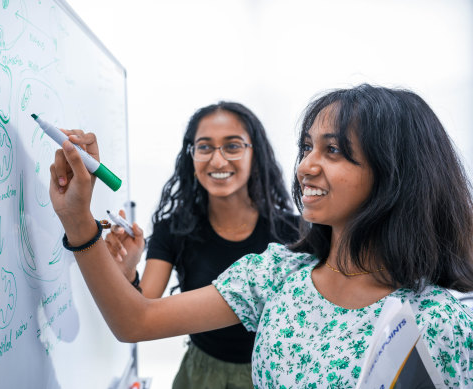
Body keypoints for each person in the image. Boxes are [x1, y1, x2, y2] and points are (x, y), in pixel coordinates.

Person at [49, 84, 473, 388]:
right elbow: (137, 317)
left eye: (334, 150)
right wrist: (77, 220)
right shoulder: (273, 272)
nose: (305, 165)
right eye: (307, 147)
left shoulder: (440, 323)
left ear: (395, 176)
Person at [104, 102, 300, 388]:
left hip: (272, 375)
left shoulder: (294, 232)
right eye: (205, 147)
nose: (217, 161)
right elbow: (144, 309)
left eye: (232, 146)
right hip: (200, 376)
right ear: (191, 156)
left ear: (254, 154)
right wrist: (128, 271)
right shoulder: (174, 229)